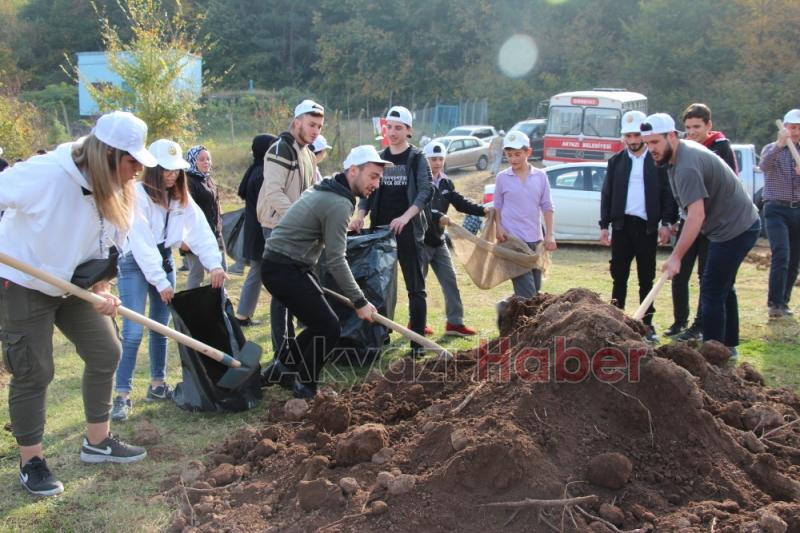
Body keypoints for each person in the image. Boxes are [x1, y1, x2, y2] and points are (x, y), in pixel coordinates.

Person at [0, 111, 155, 497]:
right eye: (132, 160)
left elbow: (105, 249)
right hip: (22, 281)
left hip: (71, 283)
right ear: (107, 155)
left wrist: (102, 290)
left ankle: (97, 441)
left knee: (106, 351)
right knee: (34, 370)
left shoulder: (120, 190)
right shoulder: (46, 174)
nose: (137, 170)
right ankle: (32, 461)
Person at [112, 139, 225, 422]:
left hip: (163, 261)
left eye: (176, 170)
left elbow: (199, 231)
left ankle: (157, 385)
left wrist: (214, 264)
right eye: (166, 169)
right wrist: (161, 282)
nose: (172, 175)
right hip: (134, 264)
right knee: (135, 330)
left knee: (162, 328)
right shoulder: (135, 195)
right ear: (152, 168)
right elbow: (141, 244)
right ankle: (121, 395)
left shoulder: (180, 198)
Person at [261, 145, 384, 398]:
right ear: (353, 171)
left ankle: (282, 367)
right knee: (328, 327)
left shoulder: (330, 186)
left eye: (379, 178)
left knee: (321, 323)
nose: (377, 184)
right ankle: (305, 387)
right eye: (373, 176)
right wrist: (360, 301)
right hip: (284, 267)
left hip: (284, 265)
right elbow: (337, 259)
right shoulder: (339, 202)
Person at [642, 113, 760, 357]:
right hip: (731, 226)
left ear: (671, 136)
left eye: (655, 142)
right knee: (723, 287)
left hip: (735, 228)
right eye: (647, 143)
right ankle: (728, 346)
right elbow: (690, 211)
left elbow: (697, 215)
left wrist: (676, 257)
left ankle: (714, 353)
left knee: (712, 290)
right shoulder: (678, 156)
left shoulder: (686, 165)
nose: (650, 149)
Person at [350, 106, 433, 355]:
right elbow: (368, 189)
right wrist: (360, 215)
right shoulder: (379, 157)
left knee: (415, 289)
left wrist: (406, 217)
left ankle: (417, 344)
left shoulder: (417, 158)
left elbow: (426, 191)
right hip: (379, 233)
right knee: (378, 288)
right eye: (390, 127)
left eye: (399, 128)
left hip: (407, 231)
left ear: (408, 131)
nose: (393, 132)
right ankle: (378, 337)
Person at [599, 110, 676, 343]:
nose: (632, 141)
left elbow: (668, 193)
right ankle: (616, 321)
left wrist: (666, 222)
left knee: (646, 278)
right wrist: (605, 225)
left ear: (644, 135)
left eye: (636, 135)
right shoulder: (616, 162)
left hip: (647, 228)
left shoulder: (657, 161)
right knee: (619, 277)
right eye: (627, 136)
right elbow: (607, 193)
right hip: (622, 226)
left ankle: (647, 324)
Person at [258, 99, 324, 360]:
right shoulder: (280, 149)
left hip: (297, 228)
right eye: (311, 124)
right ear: (297, 122)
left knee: (297, 290)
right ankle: (281, 353)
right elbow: (274, 192)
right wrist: (300, 220)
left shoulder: (308, 153)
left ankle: (295, 348)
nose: (316, 130)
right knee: (282, 292)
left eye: (319, 126)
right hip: (277, 227)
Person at [667, 103, 739, 340]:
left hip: (712, 224)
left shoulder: (720, 148)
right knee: (679, 272)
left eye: (697, 126)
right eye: (687, 127)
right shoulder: (681, 149)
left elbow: (727, 183)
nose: (692, 132)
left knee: (705, 276)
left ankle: (700, 326)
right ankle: (679, 322)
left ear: (709, 125)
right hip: (688, 220)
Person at [422, 140, 487, 336]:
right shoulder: (419, 182)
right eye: (433, 159)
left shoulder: (446, 182)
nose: (437, 163)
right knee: (418, 286)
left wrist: (482, 210)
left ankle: (455, 323)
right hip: (420, 241)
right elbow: (420, 208)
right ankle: (418, 323)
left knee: (450, 280)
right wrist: (437, 216)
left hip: (439, 241)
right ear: (425, 160)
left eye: (440, 159)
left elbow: (459, 202)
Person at [494, 131, 557, 297]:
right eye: (509, 155)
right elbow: (497, 206)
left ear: (528, 152)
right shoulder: (502, 177)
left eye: (517, 154)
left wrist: (550, 235)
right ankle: (524, 320)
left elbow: (547, 206)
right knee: (527, 293)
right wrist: (498, 227)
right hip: (512, 241)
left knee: (534, 290)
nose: (513, 159)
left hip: (535, 240)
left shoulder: (541, 176)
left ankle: (506, 312)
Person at [234, 134, 277, 327]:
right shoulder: (261, 174)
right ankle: (242, 315)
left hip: (256, 229)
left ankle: (243, 314)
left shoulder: (258, 169)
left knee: (257, 272)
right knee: (257, 272)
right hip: (260, 230)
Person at [761, 108, 800, 318]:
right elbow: (764, 165)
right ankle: (774, 303)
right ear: (784, 128)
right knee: (781, 255)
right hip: (776, 208)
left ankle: (784, 302)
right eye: (791, 127)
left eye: (798, 128)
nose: (794, 132)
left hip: (798, 209)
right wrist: (780, 145)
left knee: (795, 259)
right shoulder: (772, 149)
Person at [183, 145, 226, 288]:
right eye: (201, 159)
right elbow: (186, 211)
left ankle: (219, 305)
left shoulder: (209, 179)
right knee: (197, 274)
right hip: (196, 235)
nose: (206, 162)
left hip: (215, 233)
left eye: (208, 159)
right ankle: (191, 306)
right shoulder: (188, 181)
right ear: (192, 161)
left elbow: (216, 203)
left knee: (221, 270)